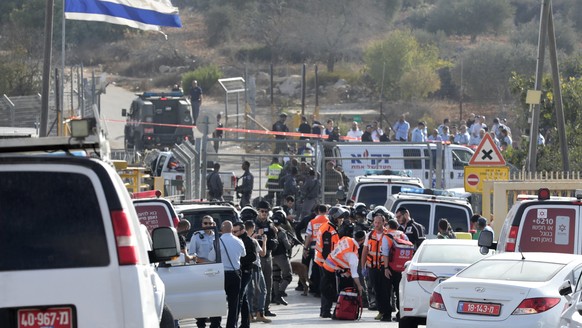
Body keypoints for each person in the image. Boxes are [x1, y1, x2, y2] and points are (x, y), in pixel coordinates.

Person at [321, 234, 366, 317]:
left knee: (326, 289)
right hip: (332, 269)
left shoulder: (346, 239)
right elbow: (354, 274)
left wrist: (344, 269)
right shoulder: (353, 254)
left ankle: (325, 311)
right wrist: (359, 286)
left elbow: (340, 253)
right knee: (332, 291)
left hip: (327, 264)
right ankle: (334, 311)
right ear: (362, 241)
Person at [316, 206, 348, 318]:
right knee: (327, 286)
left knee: (327, 286)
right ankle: (325, 310)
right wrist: (332, 265)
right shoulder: (328, 230)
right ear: (334, 218)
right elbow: (326, 251)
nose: (342, 220)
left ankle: (324, 310)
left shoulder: (331, 228)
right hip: (326, 263)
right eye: (340, 218)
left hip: (327, 263)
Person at [240, 214, 271, 323]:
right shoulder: (253, 241)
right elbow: (263, 254)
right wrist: (265, 242)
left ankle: (249, 314)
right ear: (252, 229)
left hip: (245, 268)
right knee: (262, 290)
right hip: (256, 267)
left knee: (249, 291)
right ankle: (260, 313)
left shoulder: (240, 240)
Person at [361, 212, 391, 321]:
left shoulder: (388, 235)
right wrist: (363, 267)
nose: (377, 224)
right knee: (376, 290)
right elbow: (365, 251)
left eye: (379, 222)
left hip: (384, 268)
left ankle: (387, 312)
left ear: (384, 223)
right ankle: (381, 311)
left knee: (386, 291)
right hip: (372, 268)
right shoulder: (369, 235)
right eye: (375, 222)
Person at [216, 221, 246, 328]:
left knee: (218, 301)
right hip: (235, 274)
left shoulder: (218, 241)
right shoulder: (238, 241)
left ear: (222, 229)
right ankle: (231, 325)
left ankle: (216, 324)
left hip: (221, 275)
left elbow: (211, 257)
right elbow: (243, 254)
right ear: (232, 229)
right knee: (233, 303)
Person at [192, 216, 219, 328]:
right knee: (201, 298)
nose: (208, 225)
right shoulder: (197, 236)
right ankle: (201, 322)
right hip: (201, 269)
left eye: (210, 223)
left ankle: (215, 323)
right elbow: (192, 255)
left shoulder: (217, 235)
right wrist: (204, 262)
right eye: (205, 223)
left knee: (215, 298)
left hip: (215, 270)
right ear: (202, 224)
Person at [254, 200, 279, 317]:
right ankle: (255, 308)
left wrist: (273, 239)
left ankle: (266, 308)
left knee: (268, 283)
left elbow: (275, 240)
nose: (264, 213)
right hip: (256, 257)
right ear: (258, 211)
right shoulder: (253, 223)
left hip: (268, 255)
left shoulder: (270, 224)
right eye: (262, 211)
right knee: (256, 284)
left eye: (266, 211)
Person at [381, 218, 410, 322]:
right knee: (399, 291)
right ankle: (400, 314)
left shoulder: (387, 236)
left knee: (386, 291)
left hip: (389, 268)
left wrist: (386, 268)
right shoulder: (403, 235)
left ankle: (387, 315)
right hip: (402, 268)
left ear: (388, 226)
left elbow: (385, 253)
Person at [233, 222, 256, 328]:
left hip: (246, 272)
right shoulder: (236, 240)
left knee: (239, 297)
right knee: (244, 298)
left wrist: (239, 261)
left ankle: (235, 323)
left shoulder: (248, 241)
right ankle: (245, 323)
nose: (233, 233)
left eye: (235, 231)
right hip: (239, 272)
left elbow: (253, 257)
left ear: (242, 230)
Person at [302, 204, 329, 297]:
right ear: (327, 211)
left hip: (315, 249)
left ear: (317, 211)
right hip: (326, 250)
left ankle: (316, 290)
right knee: (325, 270)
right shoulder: (328, 221)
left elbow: (309, 236)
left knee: (316, 270)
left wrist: (305, 248)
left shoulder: (312, 222)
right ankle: (324, 290)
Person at [271, 210, 293, 306]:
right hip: (281, 257)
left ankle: (275, 296)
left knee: (276, 277)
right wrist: (291, 243)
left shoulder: (269, 230)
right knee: (288, 276)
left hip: (272, 257)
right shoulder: (282, 232)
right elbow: (287, 246)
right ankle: (280, 294)